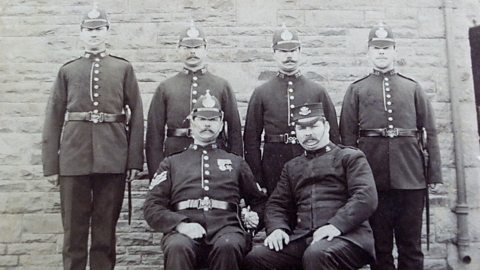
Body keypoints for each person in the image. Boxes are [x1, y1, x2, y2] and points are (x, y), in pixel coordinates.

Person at [41, 4, 144, 270]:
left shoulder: (123, 68)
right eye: (89, 30)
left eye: (99, 29)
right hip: (74, 160)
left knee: (104, 234)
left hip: (113, 157)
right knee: (73, 233)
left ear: (108, 32)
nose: (94, 35)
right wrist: (51, 165)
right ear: (81, 34)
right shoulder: (68, 70)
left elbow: (138, 115)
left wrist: (133, 161)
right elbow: (53, 118)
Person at [339, 23, 442, 270]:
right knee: (380, 246)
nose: (381, 53)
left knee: (411, 246)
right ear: (369, 52)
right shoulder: (356, 89)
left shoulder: (413, 88)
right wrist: (351, 179)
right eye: (376, 48)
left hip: (411, 178)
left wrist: (433, 174)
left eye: (386, 48)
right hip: (373, 180)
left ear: (395, 51)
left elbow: (430, 132)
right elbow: (347, 138)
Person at [243, 103, 378, 270]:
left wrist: (335, 225)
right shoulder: (292, 167)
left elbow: (365, 196)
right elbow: (277, 204)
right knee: (257, 259)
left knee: (317, 254)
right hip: (304, 238)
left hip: (348, 237)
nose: (308, 133)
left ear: (326, 126)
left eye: (314, 126)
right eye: (301, 128)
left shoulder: (349, 158)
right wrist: (277, 228)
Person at [143, 91, 266, 270]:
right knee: (178, 246)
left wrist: (255, 218)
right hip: (184, 230)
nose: (207, 124)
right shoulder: (172, 163)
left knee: (228, 245)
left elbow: (260, 201)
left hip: (227, 228)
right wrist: (181, 225)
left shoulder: (235, 162)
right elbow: (152, 206)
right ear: (192, 123)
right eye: (202, 119)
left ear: (221, 125)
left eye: (213, 120)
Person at [243, 24, 340, 195]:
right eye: (283, 51)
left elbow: (333, 136)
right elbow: (251, 140)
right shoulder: (262, 93)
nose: (289, 56)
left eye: (293, 50)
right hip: (273, 164)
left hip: (312, 162)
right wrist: (257, 178)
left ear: (300, 52)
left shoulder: (317, 91)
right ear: (274, 54)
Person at [146, 22, 243, 179]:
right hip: (175, 156)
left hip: (215, 156)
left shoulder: (221, 85)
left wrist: (236, 169)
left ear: (205, 49)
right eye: (187, 47)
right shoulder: (166, 87)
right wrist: (156, 174)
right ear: (178, 50)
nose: (192, 52)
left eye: (197, 47)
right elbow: (154, 135)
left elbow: (234, 132)